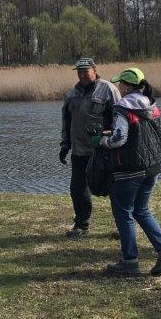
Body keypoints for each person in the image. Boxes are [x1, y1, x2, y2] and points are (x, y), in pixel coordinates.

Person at [94, 68, 161, 276]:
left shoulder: (122, 106)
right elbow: (140, 133)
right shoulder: (151, 104)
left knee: (124, 213)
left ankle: (130, 261)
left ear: (126, 86)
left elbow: (119, 139)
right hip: (152, 167)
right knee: (142, 210)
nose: (119, 87)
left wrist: (102, 141)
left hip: (129, 169)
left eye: (120, 84)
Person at [60, 57, 121, 237]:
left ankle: (122, 226)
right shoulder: (72, 94)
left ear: (94, 70)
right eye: (79, 72)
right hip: (79, 151)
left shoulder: (109, 89)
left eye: (85, 71)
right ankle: (81, 225)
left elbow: (120, 120)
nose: (82, 75)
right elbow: (66, 121)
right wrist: (65, 144)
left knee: (114, 189)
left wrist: (115, 142)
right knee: (77, 189)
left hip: (104, 150)